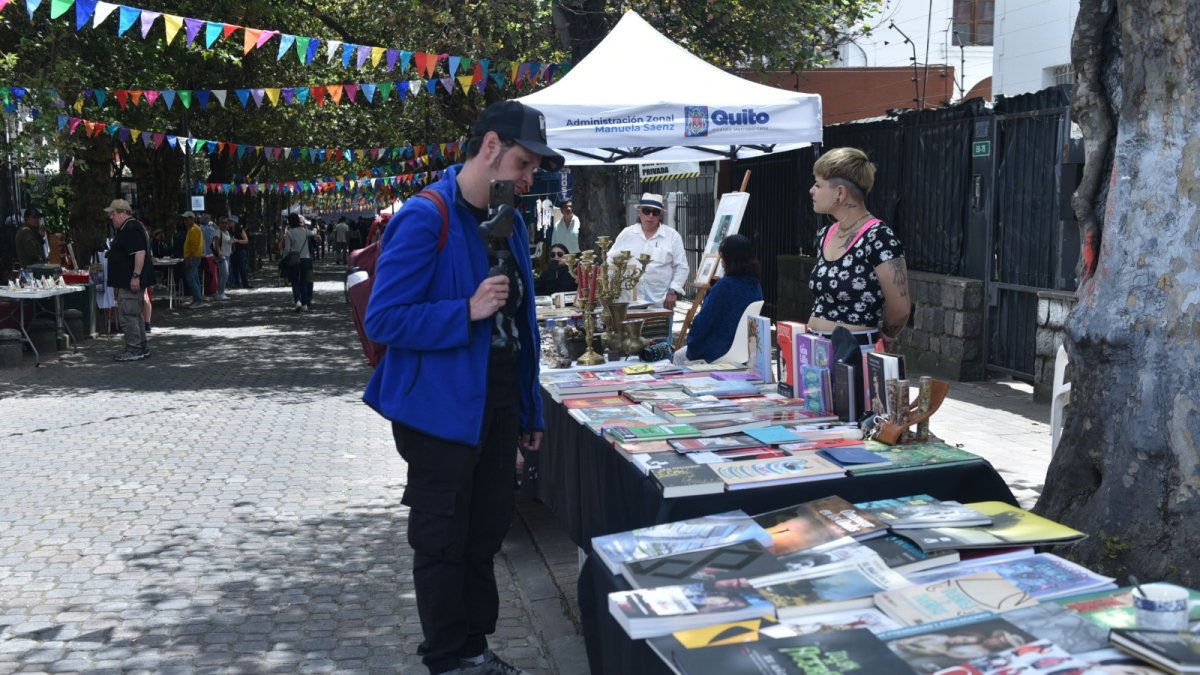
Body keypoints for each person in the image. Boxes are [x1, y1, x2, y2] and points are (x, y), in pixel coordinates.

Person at [362, 99, 562, 675]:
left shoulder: (514, 222)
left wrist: (530, 410)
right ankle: (447, 659)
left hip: (497, 404)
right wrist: (465, 310)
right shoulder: (426, 215)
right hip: (439, 413)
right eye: (524, 163)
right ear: (491, 147)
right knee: (443, 541)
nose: (529, 179)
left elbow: (521, 329)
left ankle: (475, 649)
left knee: (485, 534)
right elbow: (385, 318)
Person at [807, 147, 910, 349]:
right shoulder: (825, 235)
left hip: (854, 352)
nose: (812, 190)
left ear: (840, 193)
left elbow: (900, 309)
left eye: (818, 185)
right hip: (813, 350)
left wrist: (886, 336)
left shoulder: (878, 237)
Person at [674, 233, 763, 364]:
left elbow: (705, 322)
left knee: (678, 356)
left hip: (719, 349)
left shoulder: (724, 286)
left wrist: (693, 335)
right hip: (746, 348)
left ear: (729, 259)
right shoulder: (755, 284)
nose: (721, 261)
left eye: (722, 257)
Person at [609, 193, 688, 310]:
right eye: (646, 211)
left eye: (655, 212)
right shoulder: (627, 234)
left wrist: (673, 292)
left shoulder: (672, 236)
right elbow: (610, 260)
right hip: (629, 301)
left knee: (659, 329)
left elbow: (682, 267)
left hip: (660, 302)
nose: (650, 216)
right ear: (639, 213)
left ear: (660, 216)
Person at [103, 199, 152, 361]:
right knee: (134, 313)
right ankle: (141, 346)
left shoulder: (130, 228)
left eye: (114, 213)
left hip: (130, 281)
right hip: (129, 280)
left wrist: (135, 276)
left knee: (128, 315)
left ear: (123, 213)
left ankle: (134, 348)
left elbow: (140, 253)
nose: (111, 217)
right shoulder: (130, 228)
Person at [280, 213, 312, 311]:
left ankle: (297, 301)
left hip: (294, 259)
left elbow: (287, 249)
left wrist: (283, 258)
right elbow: (313, 233)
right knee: (304, 281)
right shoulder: (305, 231)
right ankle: (305, 304)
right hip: (306, 258)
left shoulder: (289, 233)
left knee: (295, 280)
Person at [181, 211, 204, 307]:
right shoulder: (193, 229)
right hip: (194, 257)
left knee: (190, 279)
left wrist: (189, 258)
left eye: (187, 219)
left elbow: (193, 246)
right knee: (195, 279)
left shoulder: (194, 229)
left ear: (192, 219)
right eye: (184, 219)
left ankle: (198, 301)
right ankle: (197, 300)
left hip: (193, 257)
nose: (185, 221)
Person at [214, 216, 233, 300]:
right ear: (219, 224)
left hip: (228, 255)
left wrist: (232, 242)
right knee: (225, 273)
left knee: (223, 274)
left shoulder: (227, 232)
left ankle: (221, 293)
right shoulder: (218, 232)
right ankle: (220, 293)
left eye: (226, 222)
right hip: (222, 256)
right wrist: (219, 254)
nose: (224, 224)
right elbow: (216, 245)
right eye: (222, 222)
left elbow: (228, 243)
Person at [229, 215, 251, 289]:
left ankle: (245, 283)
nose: (229, 222)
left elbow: (246, 240)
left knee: (242, 267)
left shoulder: (240, 230)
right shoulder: (228, 230)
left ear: (235, 222)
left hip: (240, 250)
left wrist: (237, 241)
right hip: (232, 251)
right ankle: (236, 283)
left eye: (231, 221)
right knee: (234, 267)